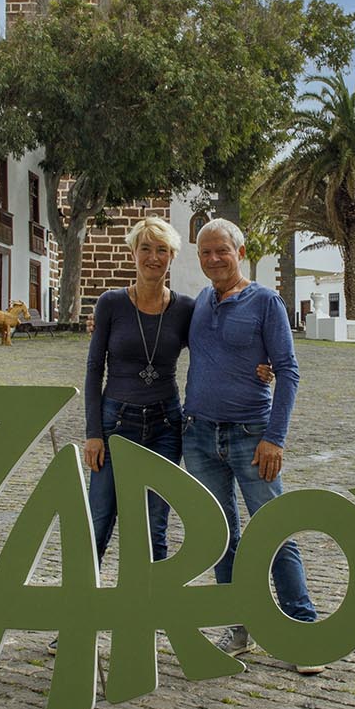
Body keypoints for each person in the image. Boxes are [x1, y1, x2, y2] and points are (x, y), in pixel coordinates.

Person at [80, 216, 273, 568]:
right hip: (114, 422)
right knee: (98, 518)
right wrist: (93, 433)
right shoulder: (110, 303)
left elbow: (219, 343)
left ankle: (151, 613)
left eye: (163, 250)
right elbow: (94, 370)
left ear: (172, 256)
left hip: (164, 426)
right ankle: (80, 609)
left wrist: (263, 365)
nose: (153, 257)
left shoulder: (186, 307)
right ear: (133, 253)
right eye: (146, 249)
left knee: (155, 525)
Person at [181, 217, 323, 673]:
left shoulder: (265, 301)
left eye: (221, 250)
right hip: (200, 437)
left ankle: (303, 630)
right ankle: (239, 627)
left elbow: (288, 370)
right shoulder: (200, 302)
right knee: (222, 537)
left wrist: (274, 438)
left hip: (251, 437)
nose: (214, 259)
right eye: (205, 252)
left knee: (274, 530)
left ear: (240, 253)